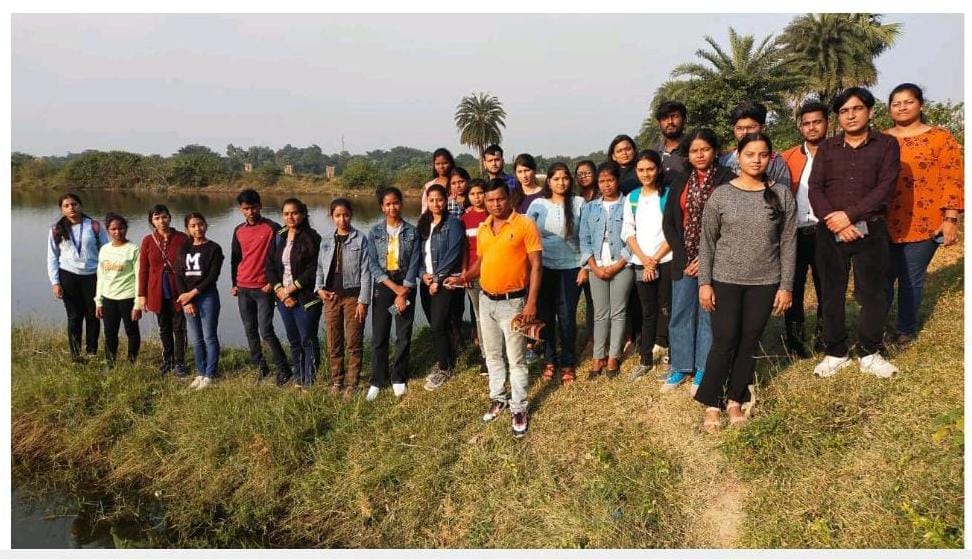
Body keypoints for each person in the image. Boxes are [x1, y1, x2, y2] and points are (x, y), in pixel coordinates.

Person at [695, 132, 796, 432]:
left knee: (750, 341)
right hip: (725, 279)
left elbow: (788, 242)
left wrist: (786, 286)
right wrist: (704, 282)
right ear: (738, 157)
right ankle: (712, 402)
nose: (756, 160)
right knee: (725, 340)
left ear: (770, 158)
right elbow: (707, 243)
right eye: (749, 154)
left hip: (765, 281)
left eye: (763, 154)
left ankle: (735, 399)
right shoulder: (722, 195)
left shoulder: (781, 194)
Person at [808, 87, 901, 378]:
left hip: (871, 229)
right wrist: (834, 220)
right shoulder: (828, 148)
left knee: (872, 293)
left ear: (870, 111)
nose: (850, 115)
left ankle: (869, 352)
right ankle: (835, 352)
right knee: (831, 292)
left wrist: (849, 216)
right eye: (844, 111)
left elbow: (885, 188)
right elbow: (815, 188)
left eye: (857, 109)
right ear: (838, 117)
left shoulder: (886, 145)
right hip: (830, 230)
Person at [445, 178, 542, 438]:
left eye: (500, 199)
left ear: (509, 198)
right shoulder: (484, 227)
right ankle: (498, 398)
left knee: (516, 359)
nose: (495, 204)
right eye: (490, 200)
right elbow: (481, 261)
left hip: (514, 303)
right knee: (492, 355)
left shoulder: (524, 225)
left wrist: (531, 302)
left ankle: (519, 407)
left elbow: (536, 266)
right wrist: (463, 278)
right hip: (486, 300)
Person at [883, 83, 964, 348]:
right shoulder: (881, 139)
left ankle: (905, 330)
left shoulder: (940, 138)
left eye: (908, 102)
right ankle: (877, 328)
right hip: (883, 221)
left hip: (925, 221)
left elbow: (952, 179)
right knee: (882, 278)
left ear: (921, 105)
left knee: (910, 277)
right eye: (896, 103)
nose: (902, 107)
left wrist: (950, 219)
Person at [661, 128, 736, 396]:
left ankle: (704, 367)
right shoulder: (681, 180)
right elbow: (669, 223)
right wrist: (683, 257)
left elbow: (731, 225)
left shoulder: (728, 180)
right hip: (683, 260)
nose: (700, 155)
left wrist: (705, 260)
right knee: (680, 312)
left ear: (715, 151)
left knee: (708, 314)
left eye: (705, 149)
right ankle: (681, 366)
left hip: (716, 260)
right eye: (694, 150)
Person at [780, 101, 830, 357]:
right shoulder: (787, 157)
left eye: (816, 122)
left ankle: (825, 336)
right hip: (795, 233)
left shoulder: (837, 153)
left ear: (827, 123)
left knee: (827, 288)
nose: (811, 127)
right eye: (806, 123)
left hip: (826, 231)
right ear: (800, 127)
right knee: (793, 287)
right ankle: (795, 342)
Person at [527, 162, 584, 384]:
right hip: (544, 268)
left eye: (565, 178)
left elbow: (587, 236)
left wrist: (586, 267)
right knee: (546, 316)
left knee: (567, 317)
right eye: (556, 178)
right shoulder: (538, 205)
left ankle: (568, 361)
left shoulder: (579, 203)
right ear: (548, 182)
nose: (561, 182)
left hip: (572, 268)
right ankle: (550, 359)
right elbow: (527, 236)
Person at [230, 188, 293, 384]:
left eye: (254, 208)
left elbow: (283, 259)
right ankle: (260, 366)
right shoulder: (238, 230)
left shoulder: (273, 228)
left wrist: (272, 284)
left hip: (264, 288)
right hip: (243, 287)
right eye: (246, 209)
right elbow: (235, 258)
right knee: (250, 329)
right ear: (241, 209)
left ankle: (284, 369)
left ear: (260, 206)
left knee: (266, 330)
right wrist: (234, 283)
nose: (250, 212)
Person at [579, 161, 634, 378]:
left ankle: (613, 356)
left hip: (622, 264)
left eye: (610, 180)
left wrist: (618, 264)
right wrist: (593, 267)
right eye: (602, 181)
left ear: (617, 180)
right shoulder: (590, 207)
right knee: (600, 312)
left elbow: (633, 238)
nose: (606, 185)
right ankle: (598, 356)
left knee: (618, 311)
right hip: (597, 266)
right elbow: (584, 240)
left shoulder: (627, 204)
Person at [622, 150, 673, 381]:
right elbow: (628, 232)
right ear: (636, 171)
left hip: (666, 260)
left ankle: (671, 356)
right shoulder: (632, 198)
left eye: (650, 169)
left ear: (658, 169)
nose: (646, 174)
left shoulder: (668, 195)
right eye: (641, 170)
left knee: (668, 309)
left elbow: (673, 231)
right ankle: (645, 359)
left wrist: (655, 259)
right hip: (641, 262)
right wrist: (644, 260)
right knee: (647, 310)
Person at [366, 186, 421, 401]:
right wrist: (395, 289)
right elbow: (372, 264)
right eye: (387, 204)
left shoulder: (412, 232)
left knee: (403, 334)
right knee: (379, 335)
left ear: (401, 204)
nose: (392, 207)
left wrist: (404, 290)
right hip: (384, 284)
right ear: (382, 207)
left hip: (406, 284)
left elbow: (415, 263)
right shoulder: (374, 232)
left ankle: (398, 377)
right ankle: (377, 380)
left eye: (395, 203)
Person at [315, 198, 372, 401]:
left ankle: (352, 383)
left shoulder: (360, 239)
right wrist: (319, 289)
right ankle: (337, 381)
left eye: (346, 215)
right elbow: (320, 268)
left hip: (353, 298)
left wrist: (363, 301)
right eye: (338, 215)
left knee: (354, 342)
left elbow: (366, 272)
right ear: (331, 217)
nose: (342, 219)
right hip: (331, 297)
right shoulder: (326, 240)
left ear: (351, 215)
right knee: (334, 341)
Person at [266, 198, 323, 390]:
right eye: (286, 214)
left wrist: (291, 289)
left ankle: (309, 381)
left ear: (303, 214)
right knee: (294, 340)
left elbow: (315, 268)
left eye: (295, 213)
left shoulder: (312, 237)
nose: (290, 217)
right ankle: (299, 378)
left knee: (307, 339)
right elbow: (269, 267)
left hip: (306, 298)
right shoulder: (279, 236)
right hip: (283, 298)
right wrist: (280, 290)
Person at [47, 193, 109, 362]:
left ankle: (91, 352)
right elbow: (52, 257)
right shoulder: (56, 229)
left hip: (92, 276)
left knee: (93, 315)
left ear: (80, 205)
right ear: (61, 209)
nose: (71, 208)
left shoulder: (94, 226)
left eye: (74, 204)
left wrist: (107, 278)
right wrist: (55, 282)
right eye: (66, 206)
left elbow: (105, 252)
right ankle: (75, 355)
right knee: (74, 316)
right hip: (68, 276)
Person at [418, 185, 465, 391]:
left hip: (444, 282)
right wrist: (422, 275)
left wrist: (437, 279)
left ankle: (445, 369)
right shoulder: (423, 223)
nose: (436, 204)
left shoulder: (452, 223)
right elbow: (418, 254)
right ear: (427, 202)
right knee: (436, 323)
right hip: (426, 282)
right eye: (431, 200)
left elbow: (453, 253)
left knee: (438, 324)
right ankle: (446, 358)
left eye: (439, 199)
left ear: (446, 201)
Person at [138, 204, 190, 376]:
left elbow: (190, 267)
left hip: (178, 290)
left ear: (170, 217)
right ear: (152, 221)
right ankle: (168, 360)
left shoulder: (182, 238)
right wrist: (142, 295)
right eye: (157, 218)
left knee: (179, 328)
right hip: (157, 291)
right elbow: (143, 269)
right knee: (164, 328)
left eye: (164, 217)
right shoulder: (148, 240)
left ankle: (180, 362)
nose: (161, 221)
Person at [175, 212, 224, 390]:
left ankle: (210, 374)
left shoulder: (214, 248)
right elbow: (178, 275)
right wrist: (186, 300)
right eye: (193, 226)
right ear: (187, 229)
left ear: (206, 225)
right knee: (196, 338)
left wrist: (192, 294)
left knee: (209, 336)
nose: (197, 229)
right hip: (187, 298)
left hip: (207, 296)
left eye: (200, 224)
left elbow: (212, 276)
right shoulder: (184, 248)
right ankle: (200, 372)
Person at [94, 212, 141, 369]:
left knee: (131, 331)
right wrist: (98, 301)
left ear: (126, 228)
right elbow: (101, 276)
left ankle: (131, 363)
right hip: (108, 298)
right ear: (108, 230)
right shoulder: (104, 249)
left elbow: (139, 277)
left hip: (127, 297)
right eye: (113, 229)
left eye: (121, 228)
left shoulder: (133, 249)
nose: (117, 232)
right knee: (110, 333)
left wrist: (137, 304)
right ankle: (110, 363)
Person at [719, 101, 792, 187]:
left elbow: (783, 192)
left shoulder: (776, 163)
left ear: (763, 128)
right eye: (739, 128)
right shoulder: (724, 161)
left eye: (751, 127)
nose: (745, 132)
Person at [461, 178, 490, 375]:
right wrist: (464, 272)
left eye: (480, 193)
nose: (477, 197)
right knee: (479, 316)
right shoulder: (464, 219)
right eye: (472, 194)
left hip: (494, 272)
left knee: (496, 315)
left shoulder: (493, 214)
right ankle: (485, 356)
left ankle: (500, 353)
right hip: (473, 273)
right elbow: (464, 248)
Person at [574, 159, 598, 349]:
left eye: (587, 172)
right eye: (580, 174)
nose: (584, 176)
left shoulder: (602, 197)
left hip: (596, 258)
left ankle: (594, 339)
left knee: (594, 301)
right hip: (576, 257)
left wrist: (588, 266)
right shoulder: (574, 200)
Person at [653, 101, 689, 175]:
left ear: (685, 119)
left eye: (675, 116)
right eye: (665, 118)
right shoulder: (654, 152)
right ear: (659, 123)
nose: (670, 122)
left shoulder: (693, 148)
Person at [421, 147, 456, 213]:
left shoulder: (457, 184)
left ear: (451, 163)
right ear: (434, 165)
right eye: (437, 164)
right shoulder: (429, 185)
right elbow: (424, 209)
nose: (441, 167)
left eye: (445, 163)